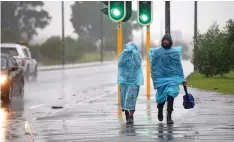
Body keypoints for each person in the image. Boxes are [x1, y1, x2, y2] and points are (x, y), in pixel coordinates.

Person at [148, 34, 186, 124]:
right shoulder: (157, 52)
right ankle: (160, 110)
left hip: (172, 78)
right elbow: (153, 65)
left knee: (171, 94)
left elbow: (178, 66)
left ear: (170, 42)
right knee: (161, 97)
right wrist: (155, 77)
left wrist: (182, 79)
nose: (165, 41)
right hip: (161, 78)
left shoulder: (175, 53)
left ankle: (169, 115)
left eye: (167, 40)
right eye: (164, 40)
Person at [117, 42, 144, 124]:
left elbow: (138, 65)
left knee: (131, 97)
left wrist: (135, 55)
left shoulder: (136, 54)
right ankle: (127, 113)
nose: (130, 50)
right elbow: (120, 64)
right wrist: (125, 56)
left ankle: (131, 115)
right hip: (124, 80)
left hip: (134, 81)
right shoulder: (123, 53)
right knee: (125, 98)